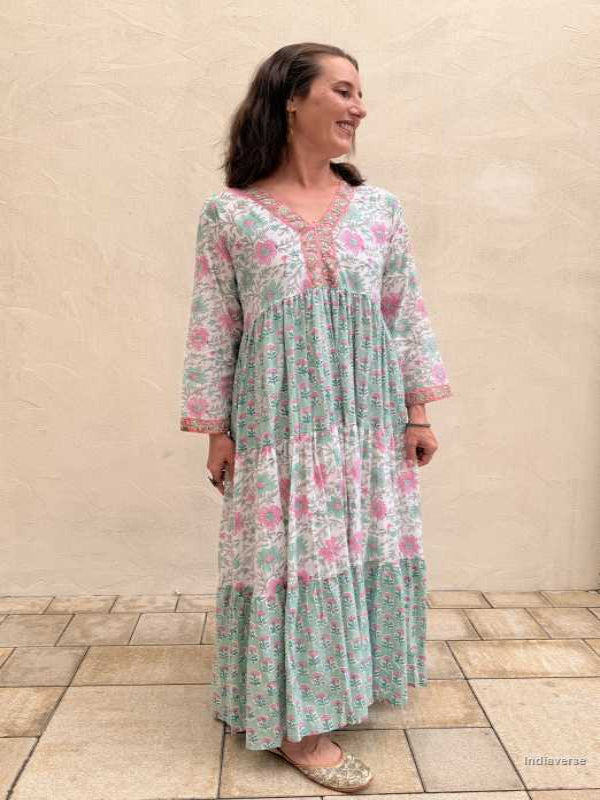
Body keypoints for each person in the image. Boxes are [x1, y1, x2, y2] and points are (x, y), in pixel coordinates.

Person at [179, 42, 452, 793]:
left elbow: (403, 314)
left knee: (354, 547)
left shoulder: (378, 209)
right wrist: (217, 430)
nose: (359, 105)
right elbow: (215, 324)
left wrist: (416, 411)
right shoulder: (231, 213)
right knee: (289, 557)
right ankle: (295, 724)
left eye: (361, 92)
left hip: (366, 419)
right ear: (292, 100)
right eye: (344, 89)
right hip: (280, 423)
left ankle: (337, 686)